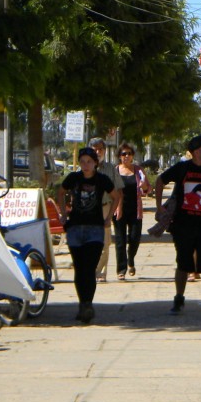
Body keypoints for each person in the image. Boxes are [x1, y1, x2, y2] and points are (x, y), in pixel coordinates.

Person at [154, 136, 201, 318]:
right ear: (196, 152)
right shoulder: (182, 168)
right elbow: (160, 181)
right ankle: (179, 298)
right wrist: (159, 205)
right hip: (183, 226)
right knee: (183, 264)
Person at [57, 147, 121, 323]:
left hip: (95, 228)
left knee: (89, 268)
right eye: (83, 162)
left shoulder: (102, 180)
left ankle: (88, 304)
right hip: (75, 228)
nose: (86, 165)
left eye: (89, 162)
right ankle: (82, 303)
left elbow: (116, 196)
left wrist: (109, 217)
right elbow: (61, 192)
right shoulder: (73, 178)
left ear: (95, 164)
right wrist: (63, 213)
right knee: (79, 268)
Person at [111, 142, 152, 279]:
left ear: (132, 155)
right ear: (119, 156)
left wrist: (144, 184)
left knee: (134, 238)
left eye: (129, 153)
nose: (126, 156)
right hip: (119, 209)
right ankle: (121, 270)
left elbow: (147, 189)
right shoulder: (115, 171)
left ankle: (131, 260)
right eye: (123, 154)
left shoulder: (139, 170)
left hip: (135, 210)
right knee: (120, 240)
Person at [89, 136, 116, 281]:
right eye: (95, 149)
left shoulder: (110, 169)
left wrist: (116, 209)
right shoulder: (85, 167)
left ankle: (100, 273)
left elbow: (118, 192)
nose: (98, 152)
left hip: (105, 207)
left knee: (105, 242)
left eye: (101, 149)